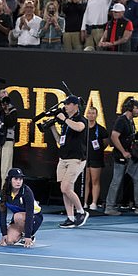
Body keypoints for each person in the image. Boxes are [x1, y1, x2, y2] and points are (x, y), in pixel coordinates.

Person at [104, 99, 138, 216]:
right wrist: (123, 152)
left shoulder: (130, 121)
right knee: (116, 181)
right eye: (137, 108)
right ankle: (110, 207)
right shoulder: (121, 120)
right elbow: (114, 136)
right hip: (122, 157)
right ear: (131, 108)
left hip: (131, 158)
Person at [48, 96, 89, 229]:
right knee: (65, 190)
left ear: (75, 105)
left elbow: (79, 128)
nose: (65, 106)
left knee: (65, 187)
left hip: (76, 159)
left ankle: (81, 212)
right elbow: (60, 141)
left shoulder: (80, 119)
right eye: (65, 104)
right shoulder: (66, 123)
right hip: (63, 158)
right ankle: (70, 217)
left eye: (68, 104)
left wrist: (64, 119)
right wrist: (52, 127)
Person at [0, 168, 43, 248]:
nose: (18, 181)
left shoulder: (27, 192)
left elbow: (29, 214)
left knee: (17, 216)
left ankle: (29, 236)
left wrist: (28, 236)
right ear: (9, 180)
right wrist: (4, 234)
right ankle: (21, 235)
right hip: (18, 219)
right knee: (9, 240)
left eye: (21, 179)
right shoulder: (4, 193)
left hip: (34, 217)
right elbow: (2, 214)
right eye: (15, 179)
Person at [84, 107, 109, 211]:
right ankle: (84, 202)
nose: (91, 115)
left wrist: (97, 150)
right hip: (84, 157)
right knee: (85, 181)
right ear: (86, 115)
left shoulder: (101, 129)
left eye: (93, 113)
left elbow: (105, 143)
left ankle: (94, 203)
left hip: (96, 158)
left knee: (95, 180)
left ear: (96, 115)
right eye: (89, 113)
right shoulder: (83, 128)